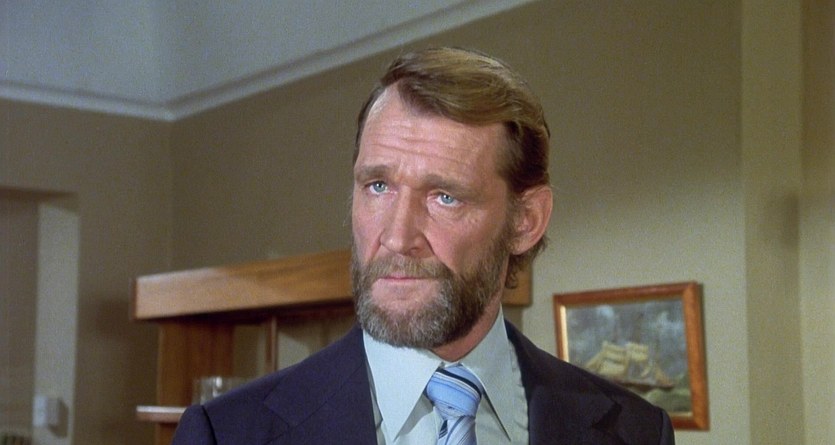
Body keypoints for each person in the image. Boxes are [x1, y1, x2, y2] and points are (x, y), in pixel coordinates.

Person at [172, 47, 675, 444]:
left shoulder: (635, 432)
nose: (397, 237)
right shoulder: (227, 434)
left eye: (444, 196)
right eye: (378, 186)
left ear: (526, 220)